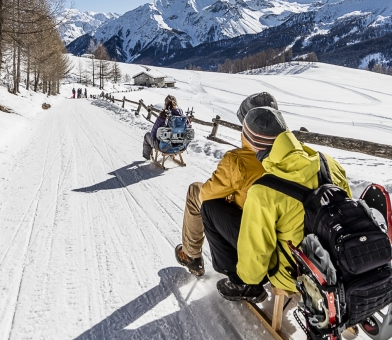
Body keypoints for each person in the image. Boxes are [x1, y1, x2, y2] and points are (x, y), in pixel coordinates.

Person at [205, 106, 351, 303]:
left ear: (253, 144)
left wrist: (248, 278)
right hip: (339, 260)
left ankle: (242, 285)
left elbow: (257, 254)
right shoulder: (328, 162)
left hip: (296, 273)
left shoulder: (264, 190)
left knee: (210, 208)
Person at [175, 92, 278, 278]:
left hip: (252, 236)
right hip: (282, 237)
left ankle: (191, 255)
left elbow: (207, 194)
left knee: (196, 192)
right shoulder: (297, 156)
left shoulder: (239, 160)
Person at [143, 95, 183, 160]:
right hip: (179, 146)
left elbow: (153, 134)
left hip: (163, 146)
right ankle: (173, 152)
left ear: (165, 104)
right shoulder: (182, 118)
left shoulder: (162, 117)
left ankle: (147, 157)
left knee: (147, 135)